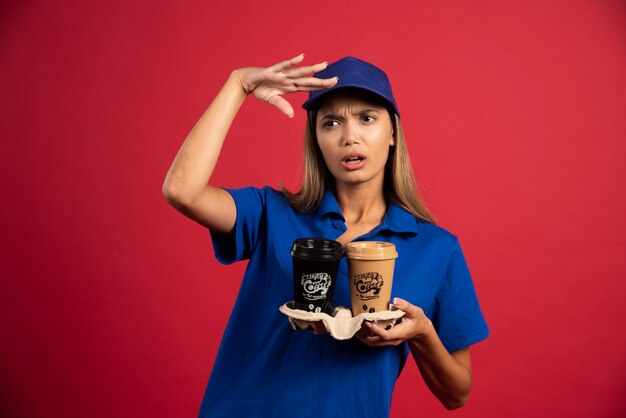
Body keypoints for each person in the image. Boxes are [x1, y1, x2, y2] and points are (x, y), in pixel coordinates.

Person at [162, 54, 489, 417]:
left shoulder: (436, 249)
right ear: (316, 139)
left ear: (393, 132)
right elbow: (182, 191)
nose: (350, 136)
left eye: (367, 118)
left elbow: (457, 393)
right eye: (331, 123)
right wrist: (238, 84)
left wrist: (420, 332)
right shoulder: (272, 213)